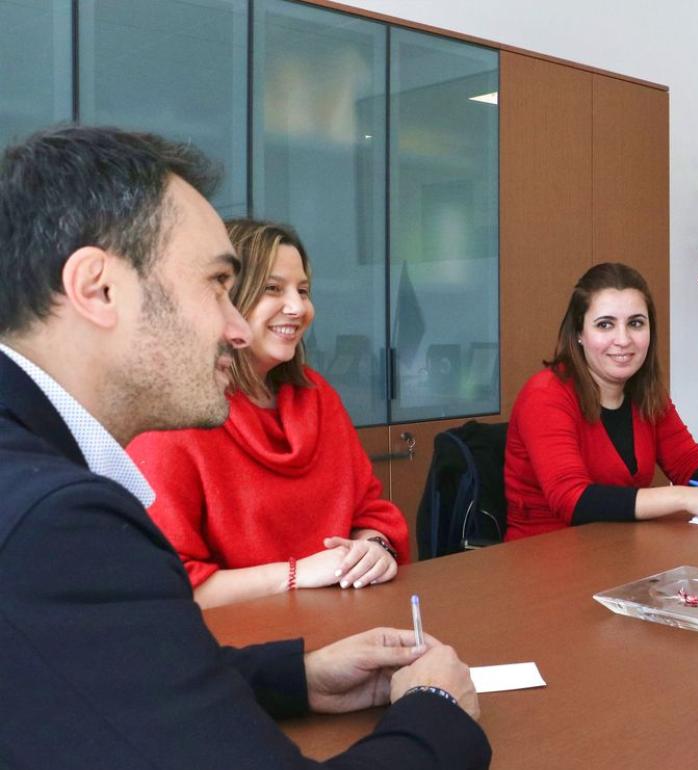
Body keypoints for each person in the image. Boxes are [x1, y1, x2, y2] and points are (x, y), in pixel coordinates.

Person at [0, 125, 490, 768]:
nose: (237, 329)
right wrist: (435, 711)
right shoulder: (57, 525)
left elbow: (117, 668)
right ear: (99, 288)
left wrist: (298, 677)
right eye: (217, 284)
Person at [128, 219, 409, 609]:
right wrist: (297, 574)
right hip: (239, 651)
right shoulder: (175, 415)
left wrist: (373, 549)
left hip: (343, 624)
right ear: (225, 300)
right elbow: (170, 585)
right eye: (272, 289)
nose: (297, 307)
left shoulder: (318, 396)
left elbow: (372, 512)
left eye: (304, 291)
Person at [505, 262, 698, 541]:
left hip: (618, 550)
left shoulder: (646, 391)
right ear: (579, 333)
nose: (623, 339)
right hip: (544, 558)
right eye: (605, 325)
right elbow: (574, 500)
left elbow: (687, 461)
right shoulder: (545, 395)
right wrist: (687, 497)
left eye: (635, 323)